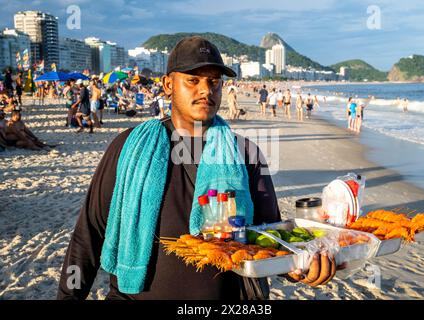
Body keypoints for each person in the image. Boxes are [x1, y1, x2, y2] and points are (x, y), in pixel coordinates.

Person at [57, 36, 337, 300]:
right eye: (193, 80)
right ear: (168, 84)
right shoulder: (128, 147)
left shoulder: (247, 154)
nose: (206, 90)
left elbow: (272, 237)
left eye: (214, 82)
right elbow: (90, 232)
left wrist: (299, 267)